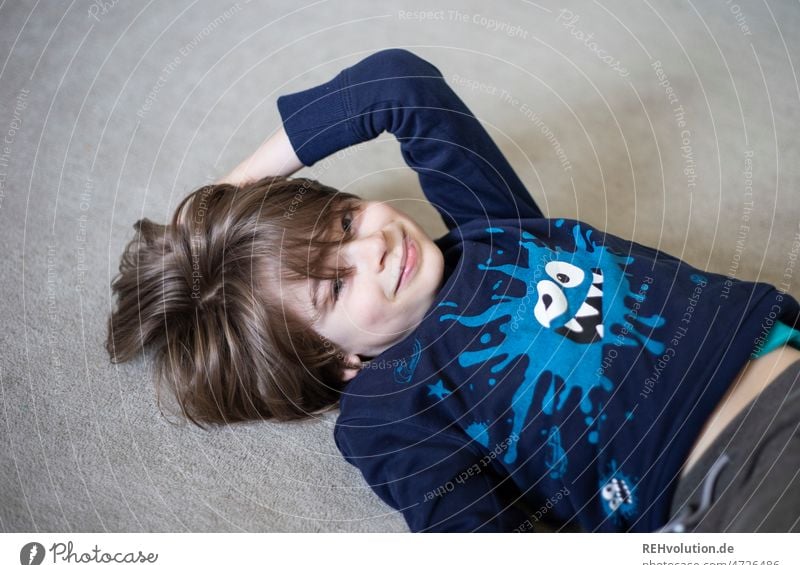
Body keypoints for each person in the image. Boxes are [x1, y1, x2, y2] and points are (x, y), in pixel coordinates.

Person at [107, 49, 800, 532]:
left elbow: (396, 83)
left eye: (345, 220)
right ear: (337, 362)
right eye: (335, 285)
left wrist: (232, 192)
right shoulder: (384, 410)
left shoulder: (492, 223)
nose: (371, 245)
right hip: (729, 483)